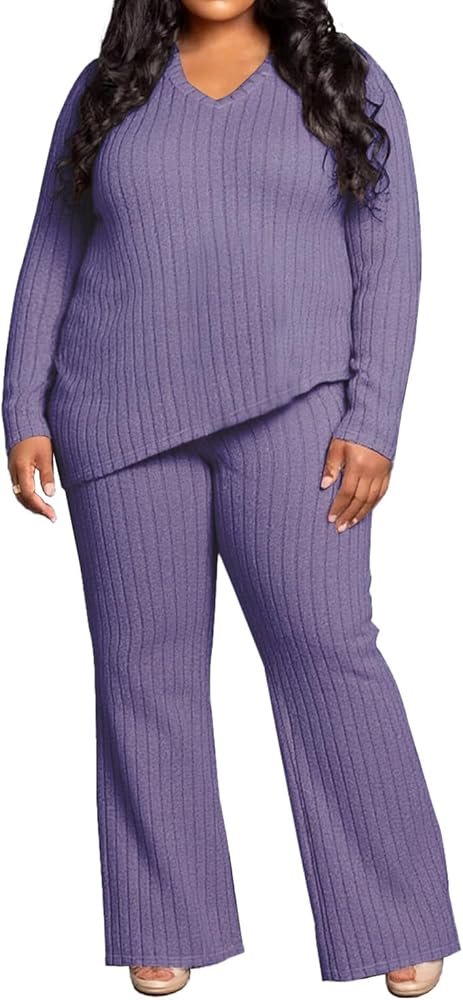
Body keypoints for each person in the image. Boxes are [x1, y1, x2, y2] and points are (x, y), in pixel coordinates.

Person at [2, 0, 460, 996]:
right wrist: (21, 401)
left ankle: (394, 914)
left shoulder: (344, 79)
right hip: (115, 414)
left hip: (296, 410)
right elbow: (54, 244)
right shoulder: (105, 87)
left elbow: (390, 257)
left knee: (326, 651)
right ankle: (164, 917)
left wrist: (373, 418)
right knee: (144, 674)